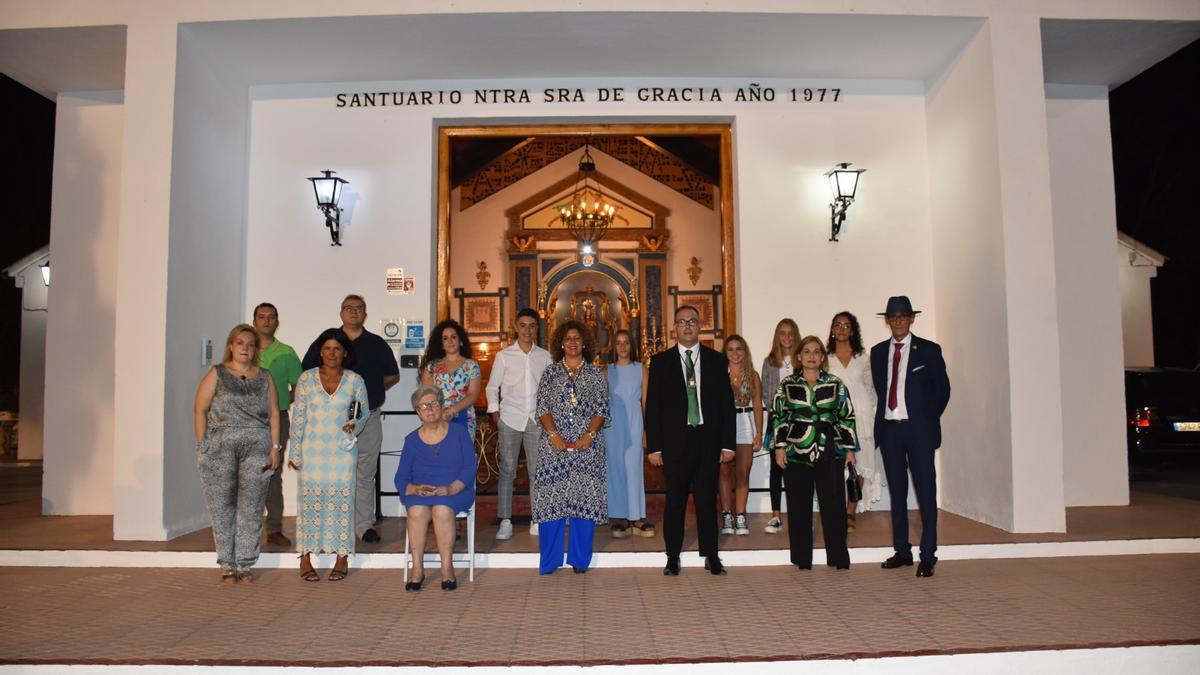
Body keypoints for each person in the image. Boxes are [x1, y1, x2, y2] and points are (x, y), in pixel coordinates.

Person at [301, 295, 400, 544]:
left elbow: (391, 376)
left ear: (365, 313)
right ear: (341, 312)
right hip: (331, 421)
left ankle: (364, 526)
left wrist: (368, 397)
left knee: (365, 473)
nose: (354, 312)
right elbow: (309, 372)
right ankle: (333, 524)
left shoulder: (376, 343)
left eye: (359, 308)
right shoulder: (330, 340)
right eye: (349, 308)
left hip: (368, 419)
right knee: (333, 472)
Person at [646, 305, 736, 576]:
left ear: (700, 326)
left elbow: (726, 406)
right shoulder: (660, 362)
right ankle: (672, 557)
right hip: (675, 444)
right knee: (674, 502)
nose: (687, 326)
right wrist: (654, 447)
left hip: (707, 441)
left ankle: (712, 555)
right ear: (675, 327)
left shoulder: (716, 360)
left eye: (693, 321)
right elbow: (653, 408)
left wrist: (728, 444)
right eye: (682, 322)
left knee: (708, 501)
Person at [193, 324, 281, 584]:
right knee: (222, 506)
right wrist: (202, 444)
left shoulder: (265, 377)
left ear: (256, 349)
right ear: (231, 346)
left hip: (257, 446)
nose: (245, 348)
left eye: (251, 344)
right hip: (219, 447)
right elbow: (200, 409)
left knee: (252, 506)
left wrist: (275, 447)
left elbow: (274, 412)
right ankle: (226, 563)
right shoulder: (217, 374)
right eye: (240, 343)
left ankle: (244, 563)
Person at [871, 296, 951, 578]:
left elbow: (942, 391)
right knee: (898, 494)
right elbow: (883, 389)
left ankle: (928, 555)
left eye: (904, 316)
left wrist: (926, 421)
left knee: (926, 492)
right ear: (887, 320)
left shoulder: (928, 350)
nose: (899, 321)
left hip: (919, 431)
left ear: (912, 319)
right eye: (893, 317)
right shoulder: (878, 352)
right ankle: (902, 551)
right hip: (891, 430)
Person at [770, 335, 858, 571]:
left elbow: (846, 416)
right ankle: (802, 558)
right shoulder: (787, 384)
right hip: (796, 451)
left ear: (822, 357)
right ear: (799, 356)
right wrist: (779, 447)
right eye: (806, 352)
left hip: (831, 452)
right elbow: (778, 416)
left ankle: (838, 557)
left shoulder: (836, 384)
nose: (811, 356)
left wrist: (849, 449)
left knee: (834, 507)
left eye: (816, 352)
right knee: (799, 508)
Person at [289, 329, 370, 582]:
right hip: (312, 452)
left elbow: (362, 413)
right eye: (327, 348)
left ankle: (342, 557)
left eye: (337, 349)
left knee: (342, 504)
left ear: (345, 352)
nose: (332, 353)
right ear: (320, 351)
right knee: (309, 504)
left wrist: (352, 426)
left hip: (342, 452)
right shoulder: (306, 379)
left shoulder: (355, 380)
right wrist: (295, 452)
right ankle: (305, 557)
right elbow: (299, 417)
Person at [532, 321, 609, 574]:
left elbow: (601, 409)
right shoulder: (550, 373)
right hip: (554, 446)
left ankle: (579, 560)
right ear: (560, 344)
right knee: (552, 502)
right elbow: (542, 407)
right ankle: (550, 561)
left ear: (584, 342)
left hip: (588, 446)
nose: (573, 342)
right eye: (568, 339)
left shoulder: (595, 374)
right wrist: (553, 434)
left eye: (577, 338)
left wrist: (589, 434)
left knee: (583, 501)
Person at [395, 385, 477, 591]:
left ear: (441, 406)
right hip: (422, 493)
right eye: (424, 406)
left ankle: (447, 569)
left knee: (441, 509)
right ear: (418, 412)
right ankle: (417, 570)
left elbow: (469, 468)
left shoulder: (459, 433)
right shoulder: (411, 440)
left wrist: (451, 488)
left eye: (434, 403)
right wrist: (415, 489)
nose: (430, 409)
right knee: (416, 510)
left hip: (455, 491)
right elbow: (401, 477)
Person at [485, 308, 552, 541]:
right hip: (510, 418)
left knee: (537, 471)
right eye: (522, 325)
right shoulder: (504, 356)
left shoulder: (544, 356)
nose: (527, 330)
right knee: (507, 470)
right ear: (516, 326)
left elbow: (551, 388)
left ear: (537, 329)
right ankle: (505, 519)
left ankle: (537, 518)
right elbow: (492, 387)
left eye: (532, 325)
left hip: (535, 419)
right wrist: (496, 413)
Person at [252, 302, 302, 547]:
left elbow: (299, 386)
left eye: (271, 317)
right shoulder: (246, 351)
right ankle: (247, 527)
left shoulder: (287, 352)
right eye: (262, 317)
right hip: (247, 420)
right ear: (254, 322)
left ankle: (273, 529)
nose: (266, 321)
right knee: (248, 472)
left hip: (278, 419)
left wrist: (280, 403)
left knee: (273, 472)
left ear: (277, 322)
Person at [826, 311, 881, 531]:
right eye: (837, 325)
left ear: (853, 330)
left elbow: (870, 389)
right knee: (836, 464)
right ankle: (837, 509)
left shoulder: (863, 357)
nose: (841, 329)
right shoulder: (825, 358)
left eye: (846, 326)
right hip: (836, 415)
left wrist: (872, 415)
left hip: (862, 413)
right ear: (832, 330)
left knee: (861, 462)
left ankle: (850, 511)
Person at [605, 329, 653, 538]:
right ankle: (618, 516)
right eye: (618, 342)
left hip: (634, 419)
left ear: (631, 346)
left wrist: (646, 431)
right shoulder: (606, 370)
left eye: (626, 342)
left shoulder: (641, 368)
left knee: (633, 468)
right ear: (613, 346)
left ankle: (636, 516)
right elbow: (601, 404)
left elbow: (646, 402)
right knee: (615, 468)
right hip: (613, 423)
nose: (623, 346)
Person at [760, 318, 801, 535]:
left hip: (801, 421)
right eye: (782, 333)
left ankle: (798, 514)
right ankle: (776, 515)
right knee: (776, 468)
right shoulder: (769, 362)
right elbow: (767, 395)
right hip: (777, 420)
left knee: (797, 469)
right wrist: (782, 407)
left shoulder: (802, 360)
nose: (786, 337)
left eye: (790, 333)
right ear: (777, 336)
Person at [719, 334, 762, 536]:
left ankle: (741, 514)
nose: (735, 353)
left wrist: (759, 433)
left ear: (745, 351)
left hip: (745, 422)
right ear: (725, 353)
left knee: (743, 472)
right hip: (724, 424)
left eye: (739, 349)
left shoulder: (752, 375)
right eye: (731, 349)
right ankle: (727, 514)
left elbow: (758, 406)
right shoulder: (719, 374)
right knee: (724, 472)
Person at [419, 319, 481, 440]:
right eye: (445, 338)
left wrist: (451, 411)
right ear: (441, 344)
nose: (450, 341)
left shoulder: (472, 365)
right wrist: (440, 413)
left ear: (461, 341)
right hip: (436, 418)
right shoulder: (431, 366)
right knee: (438, 456)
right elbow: (426, 395)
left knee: (461, 455)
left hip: (464, 418)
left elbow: (473, 395)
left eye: (453, 337)